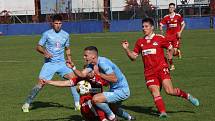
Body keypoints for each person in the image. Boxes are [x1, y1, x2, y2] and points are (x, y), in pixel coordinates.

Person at [121, 18, 199, 118]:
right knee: (155, 92)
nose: (144, 28)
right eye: (142, 27)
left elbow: (171, 48)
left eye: (146, 26)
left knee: (169, 91)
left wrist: (170, 55)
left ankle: (187, 96)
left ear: (152, 27)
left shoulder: (160, 38)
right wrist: (126, 49)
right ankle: (163, 113)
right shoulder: (140, 42)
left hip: (162, 69)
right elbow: (133, 57)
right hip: (149, 73)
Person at [21, 14, 80, 112]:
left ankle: (77, 104)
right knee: (41, 83)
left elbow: (67, 48)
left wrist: (69, 58)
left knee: (74, 80)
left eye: (60, 23)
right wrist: (45, 52)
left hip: (62, 63)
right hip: (50, 64)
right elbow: (38, 46)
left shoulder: (66, 35)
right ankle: (27, 103)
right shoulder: (47, 34)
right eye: (56, 23)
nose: (58, 25)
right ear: (52, 24)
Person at [67, 46, 135, 121]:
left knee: (96, 99)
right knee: (113, 108)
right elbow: (82, 74)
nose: (84, 57)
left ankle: (112, 117)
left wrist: (99, 74)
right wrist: (73, 68)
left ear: (93, 56)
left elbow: (114, 79)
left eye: (86, 55)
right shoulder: (92, 65)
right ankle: (129, 118)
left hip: (122, 90)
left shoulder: (103, 63)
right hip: (114, 90)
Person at [42, 71, 109, 121]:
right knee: (95, 103)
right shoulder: (80, 79)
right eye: (88, 72)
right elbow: (65, 83)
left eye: (91, 71)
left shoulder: (99, 77)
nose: (90, 73)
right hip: (86, 106)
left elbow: (110, 83)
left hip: (99, 104)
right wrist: (49, 82)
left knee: (108, 99)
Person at [159, 3, 186, 70]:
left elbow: (183, 24)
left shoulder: (178, 16)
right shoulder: (166, 17)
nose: (171, 8)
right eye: (170, 7)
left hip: (175, 37)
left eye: (172, 7)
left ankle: (177, 52)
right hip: (168, 37)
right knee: (168, 52)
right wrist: (161, 29)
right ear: (169, 8)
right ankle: (172, 66)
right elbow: (161, 24)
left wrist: (180, 32)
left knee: (173, 53)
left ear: (174, 8)